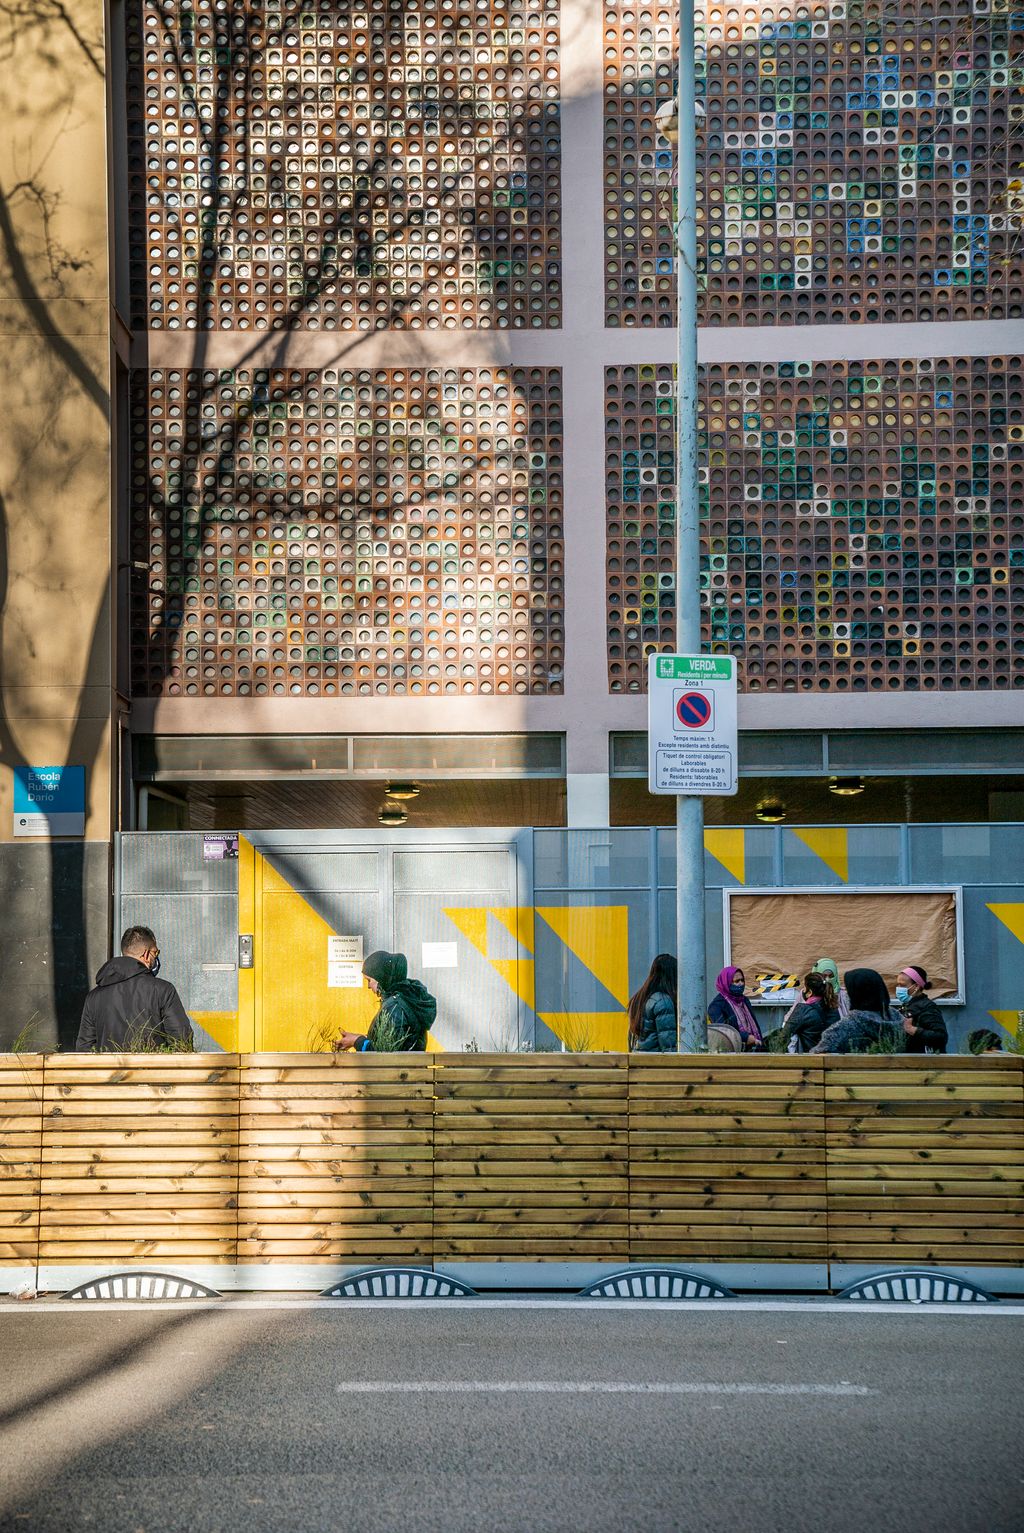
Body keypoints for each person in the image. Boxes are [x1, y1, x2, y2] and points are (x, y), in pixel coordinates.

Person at [76, 926, 193, 1052]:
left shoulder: (94, 997)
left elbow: (84, 1048)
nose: (156, 957)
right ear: (147, 954)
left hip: (109, 1071)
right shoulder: (163, 990)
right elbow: (182, 1040)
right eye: (156, 953)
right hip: (153, 1071)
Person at [333, 950, 436, 1053]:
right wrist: (357, 1038)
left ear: (381, 979)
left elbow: (381, 1054)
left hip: (399, 1069)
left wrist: (356, 1041)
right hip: (407, 1067)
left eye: (369, 980)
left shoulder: (395, 1007)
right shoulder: (405, 1001)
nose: (368, 986)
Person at [810, 968, 900, 1054]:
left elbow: (817, 1057)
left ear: (855, 994)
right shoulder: (901, 1024)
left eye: (848, 990)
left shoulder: (840, 1031)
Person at [628, 954, 677, 1052]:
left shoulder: (642, 997)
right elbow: (668, 1046)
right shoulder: (664, 1002)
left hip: (640, 1059)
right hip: (655, 1063)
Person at [780, 970, 839, 1053]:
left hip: (809, 1059)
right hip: (832, 1059)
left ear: (810, 992)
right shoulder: (833, 1009)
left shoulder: (803, 1010)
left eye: (804, 987)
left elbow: (784, 1036)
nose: (803, 990)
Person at [893, 965, 948, 1054]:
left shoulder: (928, 1007)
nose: (899, 988)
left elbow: (941, 1037)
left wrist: (912, 1030)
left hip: (923, 1062)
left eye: (902, 985)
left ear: (916, 987)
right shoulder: (906, 1006)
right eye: (898, 985)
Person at [707, 966, 764, 1051]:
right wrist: (745, 1038)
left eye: (742, 980)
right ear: (727, 983)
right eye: (737, 981)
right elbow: (723, 1033)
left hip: (752, 1049)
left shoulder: (744, 1000)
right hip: (731, 1052)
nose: (741, 984)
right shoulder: (717, 1006)